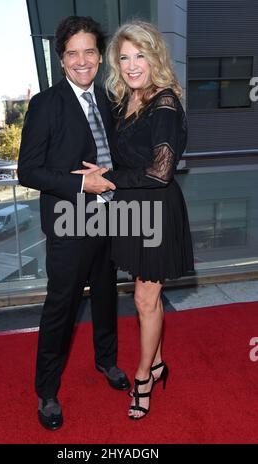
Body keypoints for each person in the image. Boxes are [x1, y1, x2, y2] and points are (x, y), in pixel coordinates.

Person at [76, 21, 194, 420]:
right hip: (134, 210)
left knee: (145, 299)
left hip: (157, 209)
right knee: (147, 298)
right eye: (124, 57)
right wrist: (102, 169)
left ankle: (143, 377)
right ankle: (157, 362)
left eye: (139, 55)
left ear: (154, 56)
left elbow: (160, 172)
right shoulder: (128, 99)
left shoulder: (163, 102)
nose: (131, 65)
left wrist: (105, 177)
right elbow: (128, 156)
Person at [17, 16, 130, 431]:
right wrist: (81, 183)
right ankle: (46, 392)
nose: (81, 60)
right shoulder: (46, 104)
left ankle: (107, 361)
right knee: (60, 309)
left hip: (111, 217)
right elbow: (27, 171)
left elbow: (116, 154)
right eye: (72, 53)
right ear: (61, 60)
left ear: (99, 57)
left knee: (105, 296)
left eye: (89, 52)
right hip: (69, 223)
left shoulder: (107, 99)